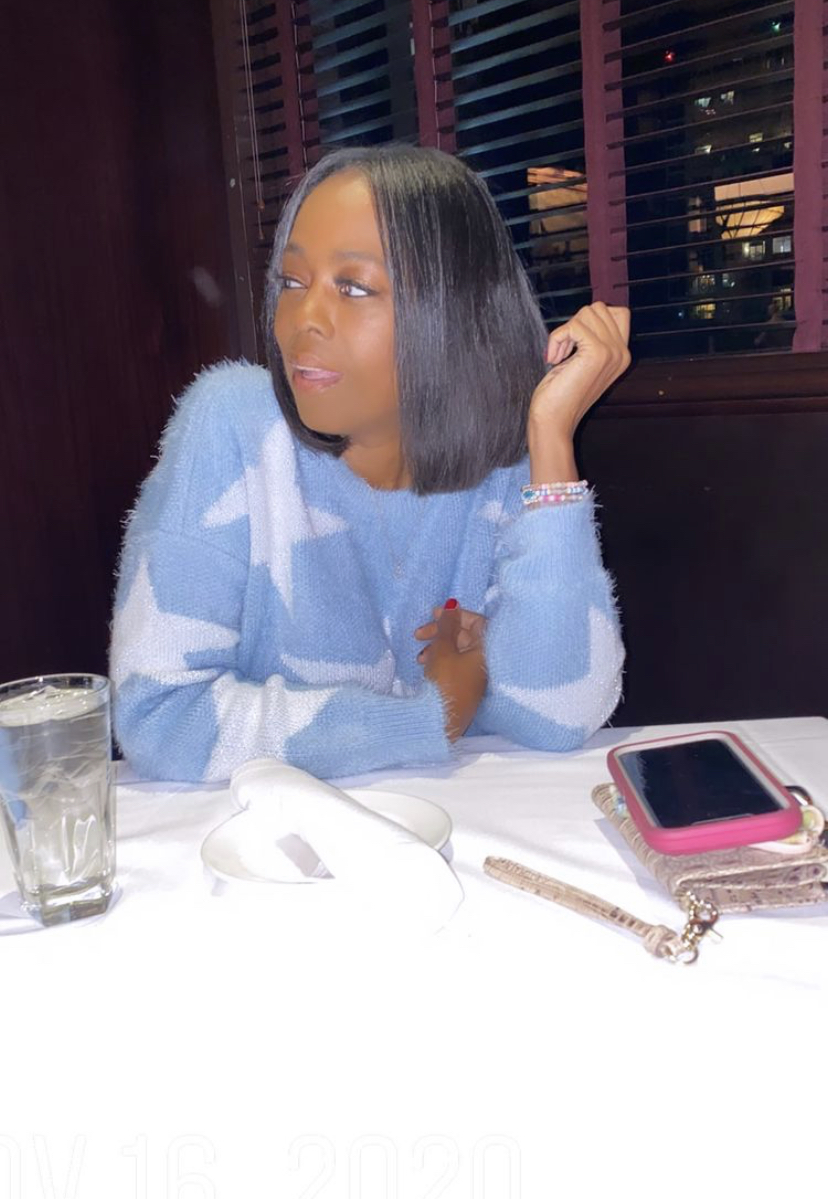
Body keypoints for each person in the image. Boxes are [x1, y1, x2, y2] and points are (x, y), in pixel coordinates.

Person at [110, 145, 629, 782]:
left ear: (453, 309)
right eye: (292, 283)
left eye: (353, 287)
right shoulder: (235, 427)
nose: (303, 321)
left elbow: (559, 715)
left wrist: (551, 435)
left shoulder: (506, 458)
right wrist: (429, 718)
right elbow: (159, 716)